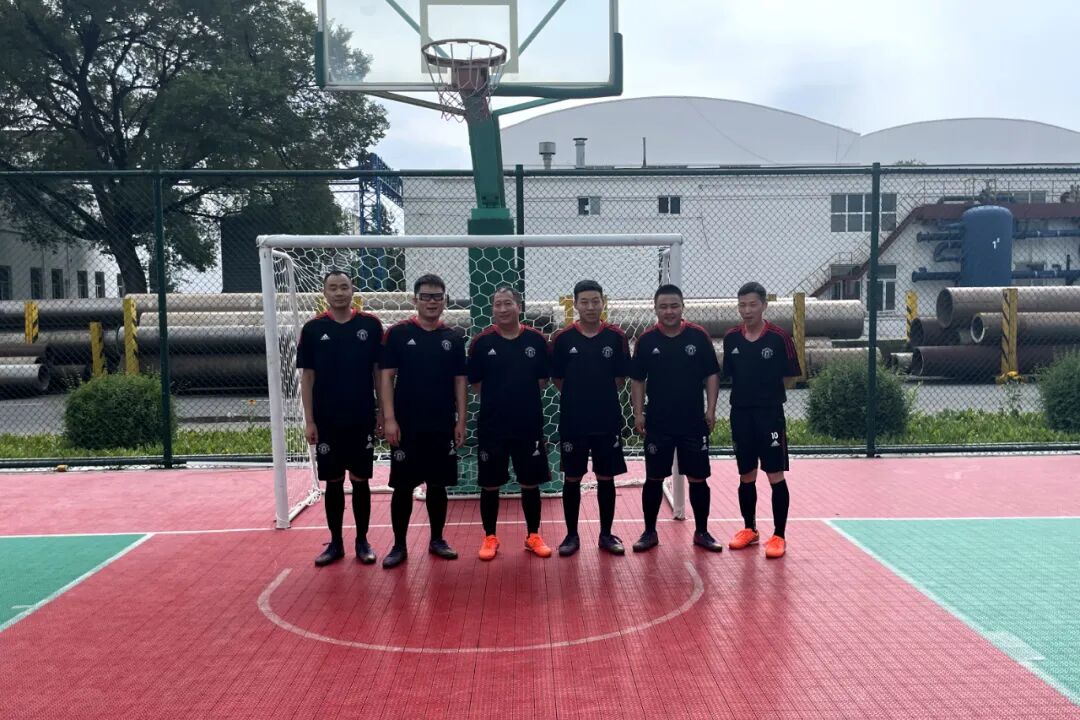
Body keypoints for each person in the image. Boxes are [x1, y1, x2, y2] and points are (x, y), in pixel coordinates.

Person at [379, 274, 468, 569]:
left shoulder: (453, 338)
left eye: (437, 297)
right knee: (403, 486)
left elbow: (460, 382)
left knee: (438, 485)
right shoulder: (397, 334)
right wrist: (389, 418)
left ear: (445, 301)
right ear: (414, 300)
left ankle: (437, 539)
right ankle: (399, 545)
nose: (432, 302)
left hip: (441, 423)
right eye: (426, 296)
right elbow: (386, 378)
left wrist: (461, 420)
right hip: (407, 425)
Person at [629, 284, 724, 553]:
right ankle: (649, 532)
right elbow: (637, 379)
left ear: (683, 307)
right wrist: (638, 412)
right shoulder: (646, 340)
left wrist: (711, 409)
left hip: (693, 422)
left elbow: (712, 374)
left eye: (674, 306)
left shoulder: (698, 336)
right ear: (655, 309)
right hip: (658, 422)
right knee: (654, 478)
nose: (669, 311)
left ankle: (702, 531)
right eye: (663, 307)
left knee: (698, 478)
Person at [298, 269, 383, 567]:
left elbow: (379, 373)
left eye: (343, 287)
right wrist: (310, 420)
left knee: (360, 481)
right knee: (333, 482)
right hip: (327, 420)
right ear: (324, 293)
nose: (338, 292)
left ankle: (362, 541)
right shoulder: (312, 329)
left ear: (352, 290)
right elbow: (307, 377)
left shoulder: (370, 325)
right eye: (332, 288)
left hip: (361, 417)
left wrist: (383, 412)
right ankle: (336, 543)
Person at [467, 287, 554, 561]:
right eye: (497, 304)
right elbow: (476, 385)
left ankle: (533, 535)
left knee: (530, 482)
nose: (502, 309)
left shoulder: (536, 340)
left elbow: (542, 381)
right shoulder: (481, 343)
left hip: (528, 425)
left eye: (508, 303)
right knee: (490, 484)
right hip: (492, 426)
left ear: (519, 306)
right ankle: (490, 537)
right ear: (492, 309)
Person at [550, 279, 631, 556]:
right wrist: (579, 396)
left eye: (595, 301)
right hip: (573, 420)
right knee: (572, 477)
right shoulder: (562, 339)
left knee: (606, 477)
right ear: (575, 304)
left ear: (602, 303)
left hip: (606, 419)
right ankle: (571, 535)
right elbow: (558, 379)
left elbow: (619, 379)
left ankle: (606, 534)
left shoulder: (616, 337)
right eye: (584, 302)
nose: (590, 306)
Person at [723, 282, 800, 559]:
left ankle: (779, 535)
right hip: (741, 414)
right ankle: (749, 529)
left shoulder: (779, 338)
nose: (747, 310)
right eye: (742, 305)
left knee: (775, 474)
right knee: (746, 475)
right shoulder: (732, 338)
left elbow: (790, 377)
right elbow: (730, 375)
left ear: (764, 305)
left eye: (752, 304)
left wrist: (768, 395)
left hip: (770, 415)